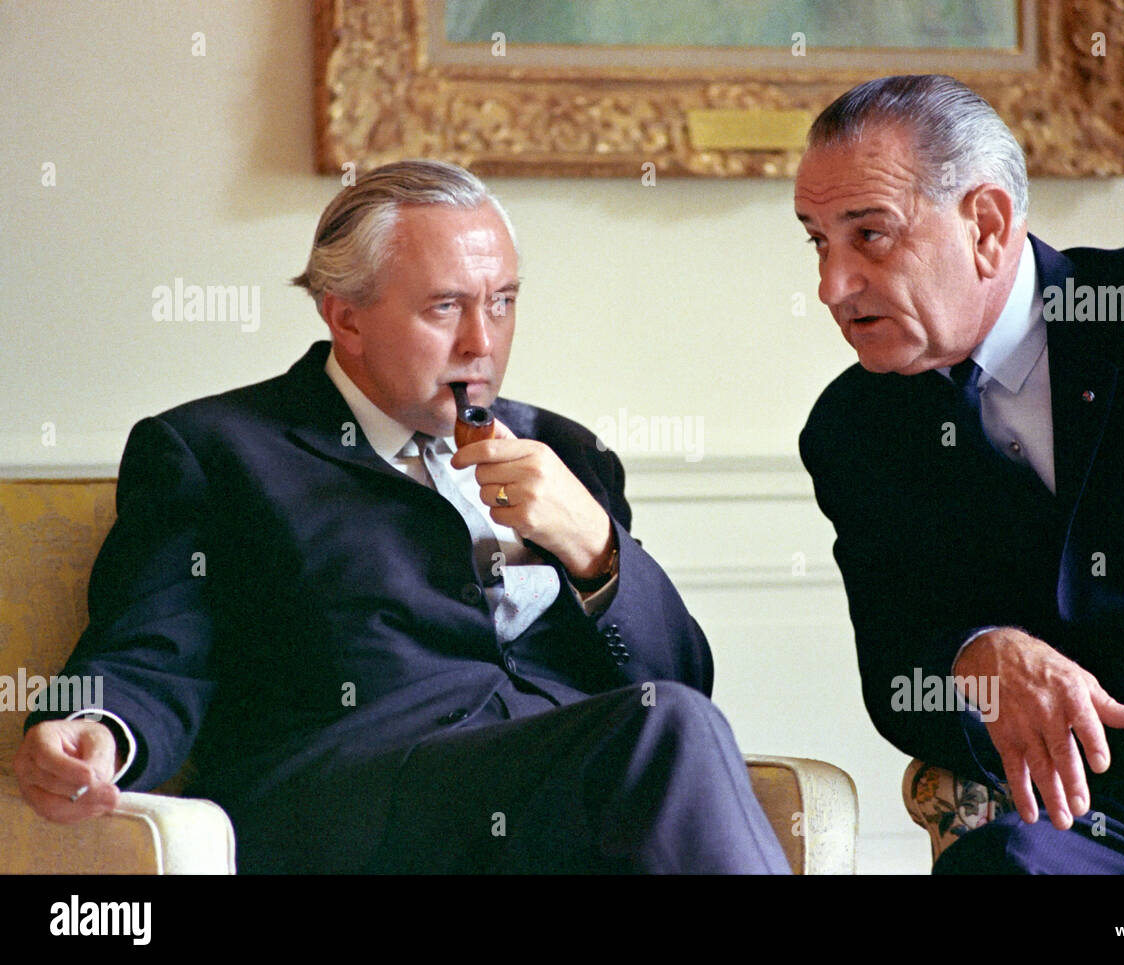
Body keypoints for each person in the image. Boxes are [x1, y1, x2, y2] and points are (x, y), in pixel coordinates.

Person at [15, 159, 790, 874]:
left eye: (503, 302)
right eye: (445, 306)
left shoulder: (564, 451)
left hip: (559, 799)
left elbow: (683, 682)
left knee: (668, 725)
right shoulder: (216, 450)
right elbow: (153, 651)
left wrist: (595, 549)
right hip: (353, 800)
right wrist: (100, 729)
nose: (482, 342)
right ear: (345, 317)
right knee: (663, 730)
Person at [795, 74, 1124, 873]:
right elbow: (897, 678)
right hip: (1117, 832)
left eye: (870, 235)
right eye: (818, 240)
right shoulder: (856, 431)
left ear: (987, 225)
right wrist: (976, 653)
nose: (832, 286)